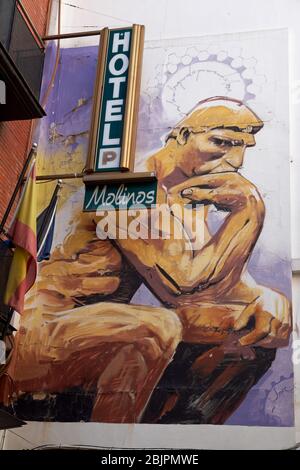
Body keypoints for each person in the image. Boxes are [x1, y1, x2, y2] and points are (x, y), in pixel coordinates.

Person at [2, 97, 291, 424]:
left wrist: (269, 302)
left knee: (253, 335)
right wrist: (249, 211)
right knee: (158, 326)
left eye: (242, 148)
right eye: (221, 143)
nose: (235, 160)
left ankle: (175, 437)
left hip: (103, 334)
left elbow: (217, 290)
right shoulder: (127, 184)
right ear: (181, 136)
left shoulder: (186, 198)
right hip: (38, 332)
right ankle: (110, 447)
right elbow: (183, 286)